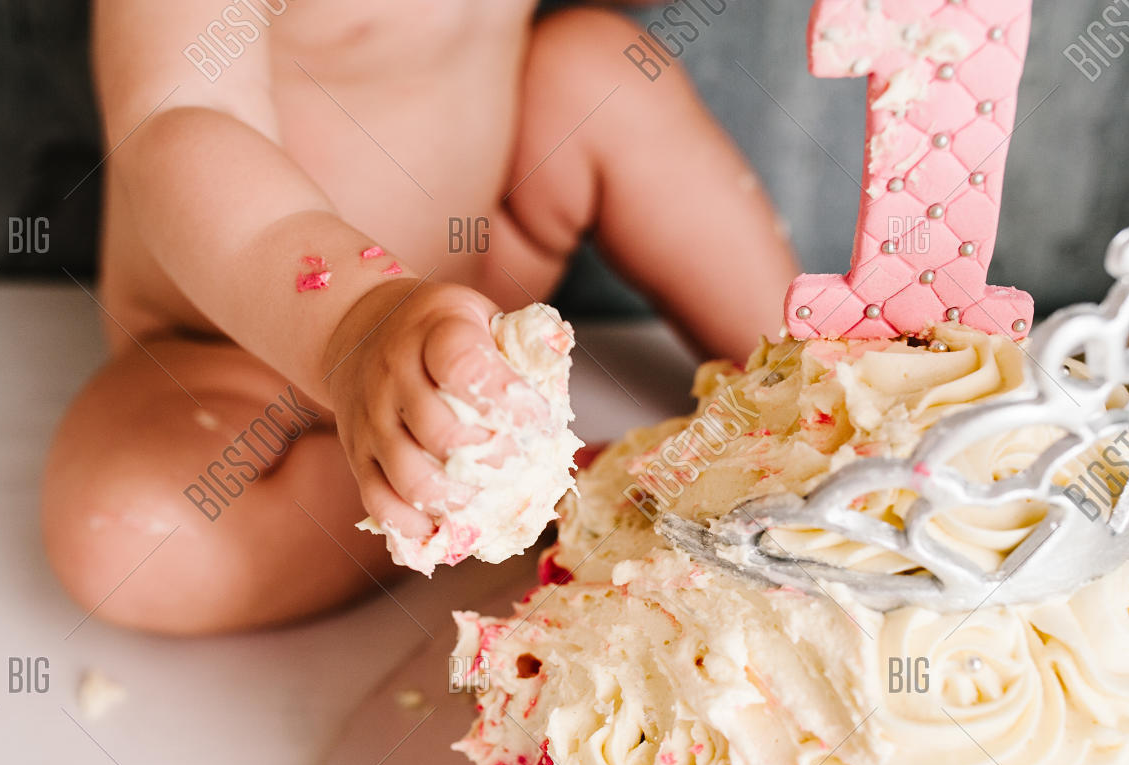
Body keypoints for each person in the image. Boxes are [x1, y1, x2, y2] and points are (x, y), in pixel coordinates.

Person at [44, 0, 797, 634]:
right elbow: (179, 117)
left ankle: (826, 380)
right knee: (129, 538)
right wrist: (353, 326)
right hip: (229, 360)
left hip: (481, 272)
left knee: (601, 68)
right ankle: (508, 485)